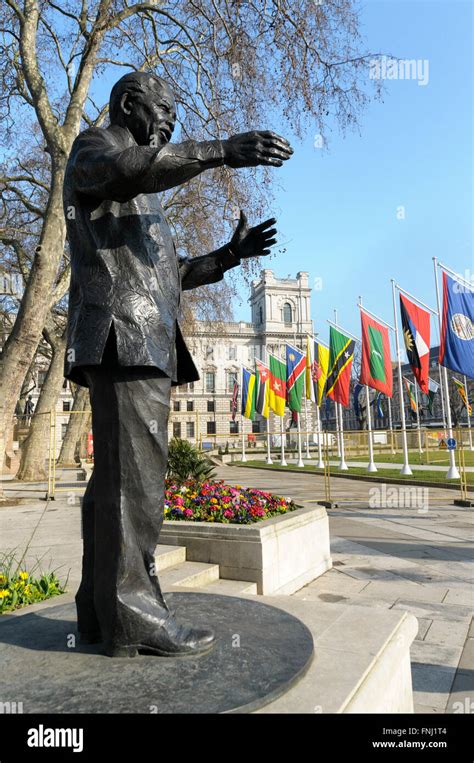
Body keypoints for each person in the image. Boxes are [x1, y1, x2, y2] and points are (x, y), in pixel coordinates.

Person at [63, 71, 293, 658]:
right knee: (136, 486)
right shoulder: (98, 149)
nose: (171, 123)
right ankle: (135, 618)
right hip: (126, 339)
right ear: (126, 104)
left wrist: (229, 256)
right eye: (162, 110)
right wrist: (218, 151)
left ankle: (99, 615)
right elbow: (127, 170)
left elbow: (169, 276)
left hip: (138, 338)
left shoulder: (139, 185)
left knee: (114, 484)